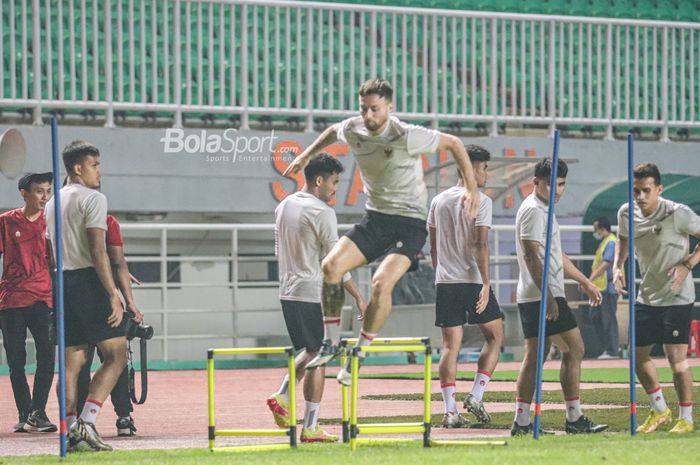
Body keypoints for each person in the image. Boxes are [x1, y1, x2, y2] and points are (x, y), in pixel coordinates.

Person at [284, 79, 480, 385]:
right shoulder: (354, 129)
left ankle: (360, 353)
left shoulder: (406, 135)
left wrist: (472, 189)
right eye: (364, 109)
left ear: (389, 107)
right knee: (330, 267)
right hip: (376, 218)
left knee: (379, 284)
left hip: (410, 222)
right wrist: (306, 155)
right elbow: (332, 132)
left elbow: (454, 144)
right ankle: (331, 343)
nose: (369, 116)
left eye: (375, 109)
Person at [267, 154, 366, 442]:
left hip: (287, 290)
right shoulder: (322, 212)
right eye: (335, 182)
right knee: (317, 352)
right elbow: (335, 262)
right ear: (319, 180)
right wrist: (359, 296)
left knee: (312, 356)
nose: (336, 189)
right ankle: (283, 395)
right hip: (312, 291)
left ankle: (310, 427)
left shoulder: (283, 206)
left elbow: (278, 250)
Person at [512, 158, 607, 436]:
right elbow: (531, 254)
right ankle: (574, 418)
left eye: (562, 184)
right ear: (536, 182)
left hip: (539, 293)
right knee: (575, 348)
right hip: (543, 294)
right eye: (552, 184)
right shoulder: (533, 210)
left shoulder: (546, 209)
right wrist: (550, 296)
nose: (558, 190)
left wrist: (586, 282)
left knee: (536, 356)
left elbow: (557, 256)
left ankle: (522, 422)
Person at [45, 140, 127, 452]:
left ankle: (68, 428)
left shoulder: (53, 202)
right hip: (89, 281)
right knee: (117, 355)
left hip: (62, 282)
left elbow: (51, 255)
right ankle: (88, 422)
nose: (99, 172)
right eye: (95, 165)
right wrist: (112, 293)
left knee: (72, 363)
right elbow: (98, 252)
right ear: (78, 168)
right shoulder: (94, 198)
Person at [613, 162, 700, 434]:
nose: (640, 197)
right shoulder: (627, 213)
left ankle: (686, 418)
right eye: (636, 190)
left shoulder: (678, 214)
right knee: (637, 356)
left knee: (676, 358)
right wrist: (618, 265)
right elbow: (623, 239)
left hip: (677, 295)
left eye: (646, 191)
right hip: (647, 296)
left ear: (658, 189)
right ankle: (660, 409)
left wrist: (688, 264)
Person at [428, 145, 503, 428]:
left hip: (445, 281)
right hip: (472, 279)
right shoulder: (481, 201)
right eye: (483, 168)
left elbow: (433, 246)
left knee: (450, 347)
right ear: (469, 168)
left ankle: (450, 412)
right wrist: (486, 282)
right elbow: (480, 243)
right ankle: (476, 394)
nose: (486, 174)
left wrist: (442, 273)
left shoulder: (438, 201)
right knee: (495, 336)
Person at [76, 214, 144, 437]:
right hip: (103, 302)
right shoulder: (105, 221)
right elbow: (117, 262)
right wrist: (128, 301)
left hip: (75, 301)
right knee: (116, 360)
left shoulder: (61, 220)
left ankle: (80, 421)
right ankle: (121, 417)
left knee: (79, 366)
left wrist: (129, 300)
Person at [0, 172, 57, 433]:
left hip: (43, 299)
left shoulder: (52, 222)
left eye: (48, 190)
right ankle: (25, 414)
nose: (45, 196)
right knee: (16, 360)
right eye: (39, 191)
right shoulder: (6, 221)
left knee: (47, 354)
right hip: (11, 300)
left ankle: (38, 412)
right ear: (24, 192)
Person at [588, 216, 620, 359]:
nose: (595, 232)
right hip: (600, 288)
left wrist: (589, 280)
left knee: (608, 319)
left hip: (608, 287)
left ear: (602, 228)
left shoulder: (611, 242)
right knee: (595, 317)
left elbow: (606, 264)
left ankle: (613, 350)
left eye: (596, 229)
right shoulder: (604, 243)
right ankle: (607, 348)